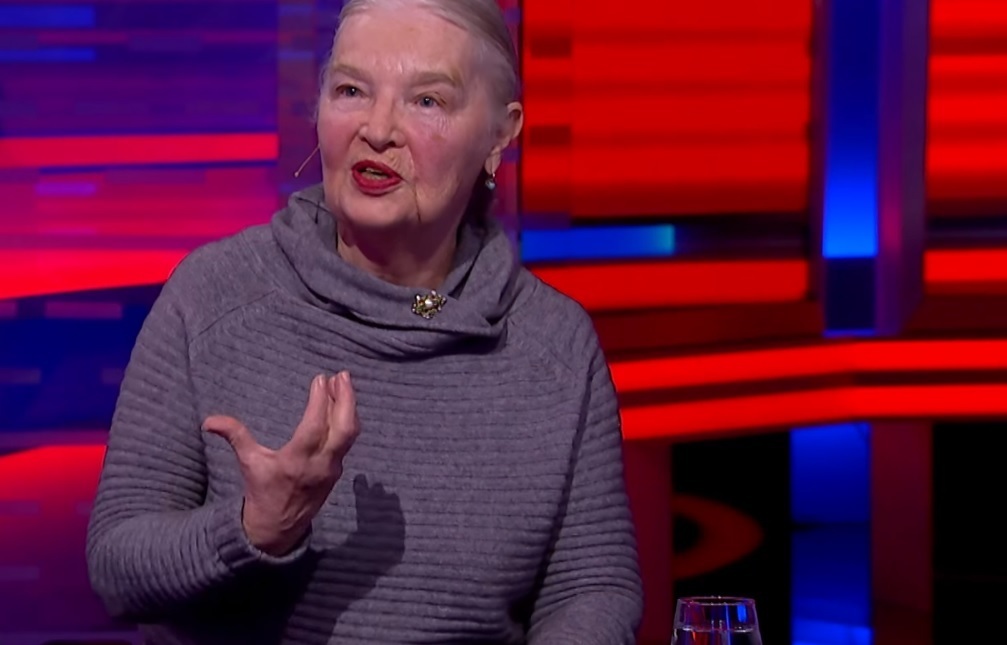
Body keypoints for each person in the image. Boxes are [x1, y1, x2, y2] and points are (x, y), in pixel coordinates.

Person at [85, 0, 644, 642]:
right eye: (351, 90)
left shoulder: (553, 344)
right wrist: (254, 528)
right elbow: (116, 566)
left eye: (427, 101)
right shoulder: (214, 295)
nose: (377, 130)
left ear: (500, 134)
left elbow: (591, 589)